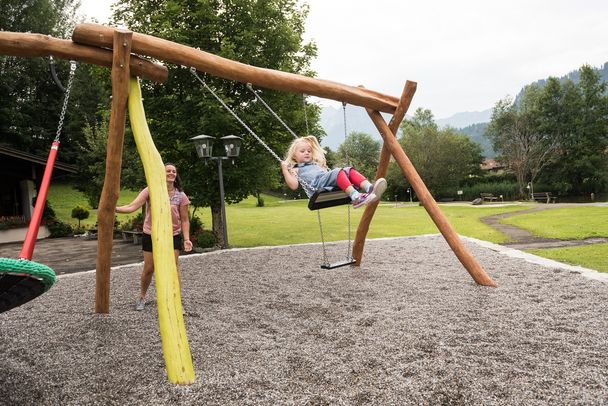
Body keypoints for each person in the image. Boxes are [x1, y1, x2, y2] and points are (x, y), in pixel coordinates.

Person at [116, 163, 193, 311]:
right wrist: (114, 208)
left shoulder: (181, 195)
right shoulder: (151, 190)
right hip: (151, 234)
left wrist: (187, 238)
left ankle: (176, 301)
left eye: (173, 171)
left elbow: (184, 220)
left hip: (172, 235)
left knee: (174, 268)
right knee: (149, 268)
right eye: (168, 171)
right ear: (161, 174)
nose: (171, 173)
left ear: (176, 175)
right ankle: (142, 297)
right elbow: (132, 206)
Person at [281, 135, 387, 208]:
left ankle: (370, 188)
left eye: (309, 151)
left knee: (348, 170)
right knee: (337, 172)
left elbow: (325, 173)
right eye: (302, 151)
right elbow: (294, 185)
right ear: (294, 155)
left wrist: (323, 168)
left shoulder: (315, 164)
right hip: (318, 186)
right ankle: (355, 196)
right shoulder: (296, 169)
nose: (307, 153)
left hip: (325, 181)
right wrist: (285, 170)